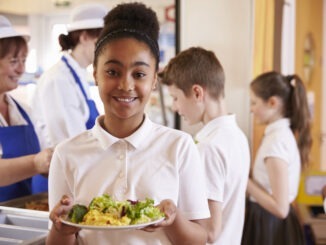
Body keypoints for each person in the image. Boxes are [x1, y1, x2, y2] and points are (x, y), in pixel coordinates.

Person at [46, 3, 210, 245]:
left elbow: (200, 238)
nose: (125, 85)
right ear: (96, 75)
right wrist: (61, 229)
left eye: (139, 74)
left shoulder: (179, 146)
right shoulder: (67, 154)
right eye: (112, 72)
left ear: (154, 80)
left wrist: (173, 219)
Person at [161, 47, 251, 244]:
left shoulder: (208, 148)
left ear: (197, 93)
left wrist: (166, 213)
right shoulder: (238, 136)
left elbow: (209, 232)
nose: (174, 107)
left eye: (175, 98)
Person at [241, 71, 312, 245]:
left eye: (254, 102)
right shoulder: (278, 136)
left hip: (269, 224)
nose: (251, 109)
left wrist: (244, 180)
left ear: (272, 103)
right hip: (268, 221)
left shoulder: (277, 142)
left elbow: (281, 209)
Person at [32, 3, 107, 150]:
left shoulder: (77, 75)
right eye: (103, 43)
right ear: (84, 37)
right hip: (65, 168)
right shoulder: (59, 80)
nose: (107, 50)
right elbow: (72, 144)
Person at [0, 15, 53, 201]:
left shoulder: (22, 111)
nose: (21, 69)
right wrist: (35, 163)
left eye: (23, 60)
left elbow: (43, 156)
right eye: (14, 61)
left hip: (19, 211)